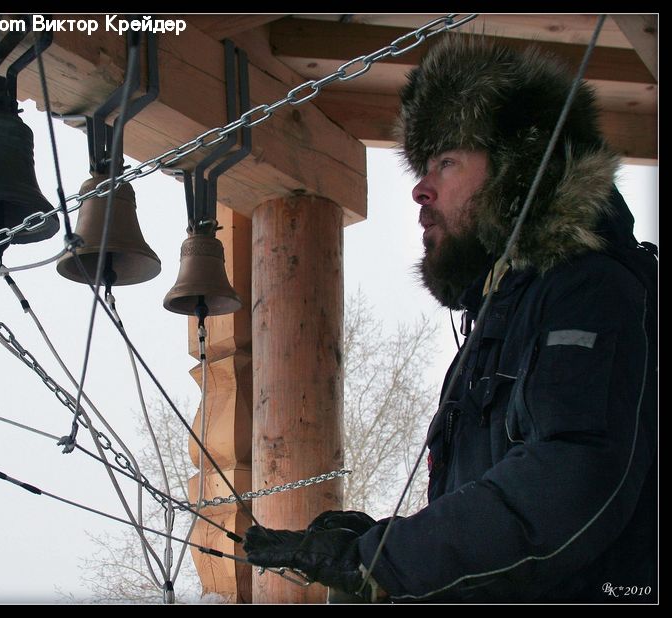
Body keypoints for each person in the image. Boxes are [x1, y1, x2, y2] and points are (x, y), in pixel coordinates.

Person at [244, 34, 657, 603]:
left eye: (446, 161)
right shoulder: (505, 315)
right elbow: (495, 530)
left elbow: (569, 482)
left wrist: (387, 563)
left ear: (518, 166)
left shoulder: (591, 291)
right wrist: (383, 548)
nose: (420, 188)